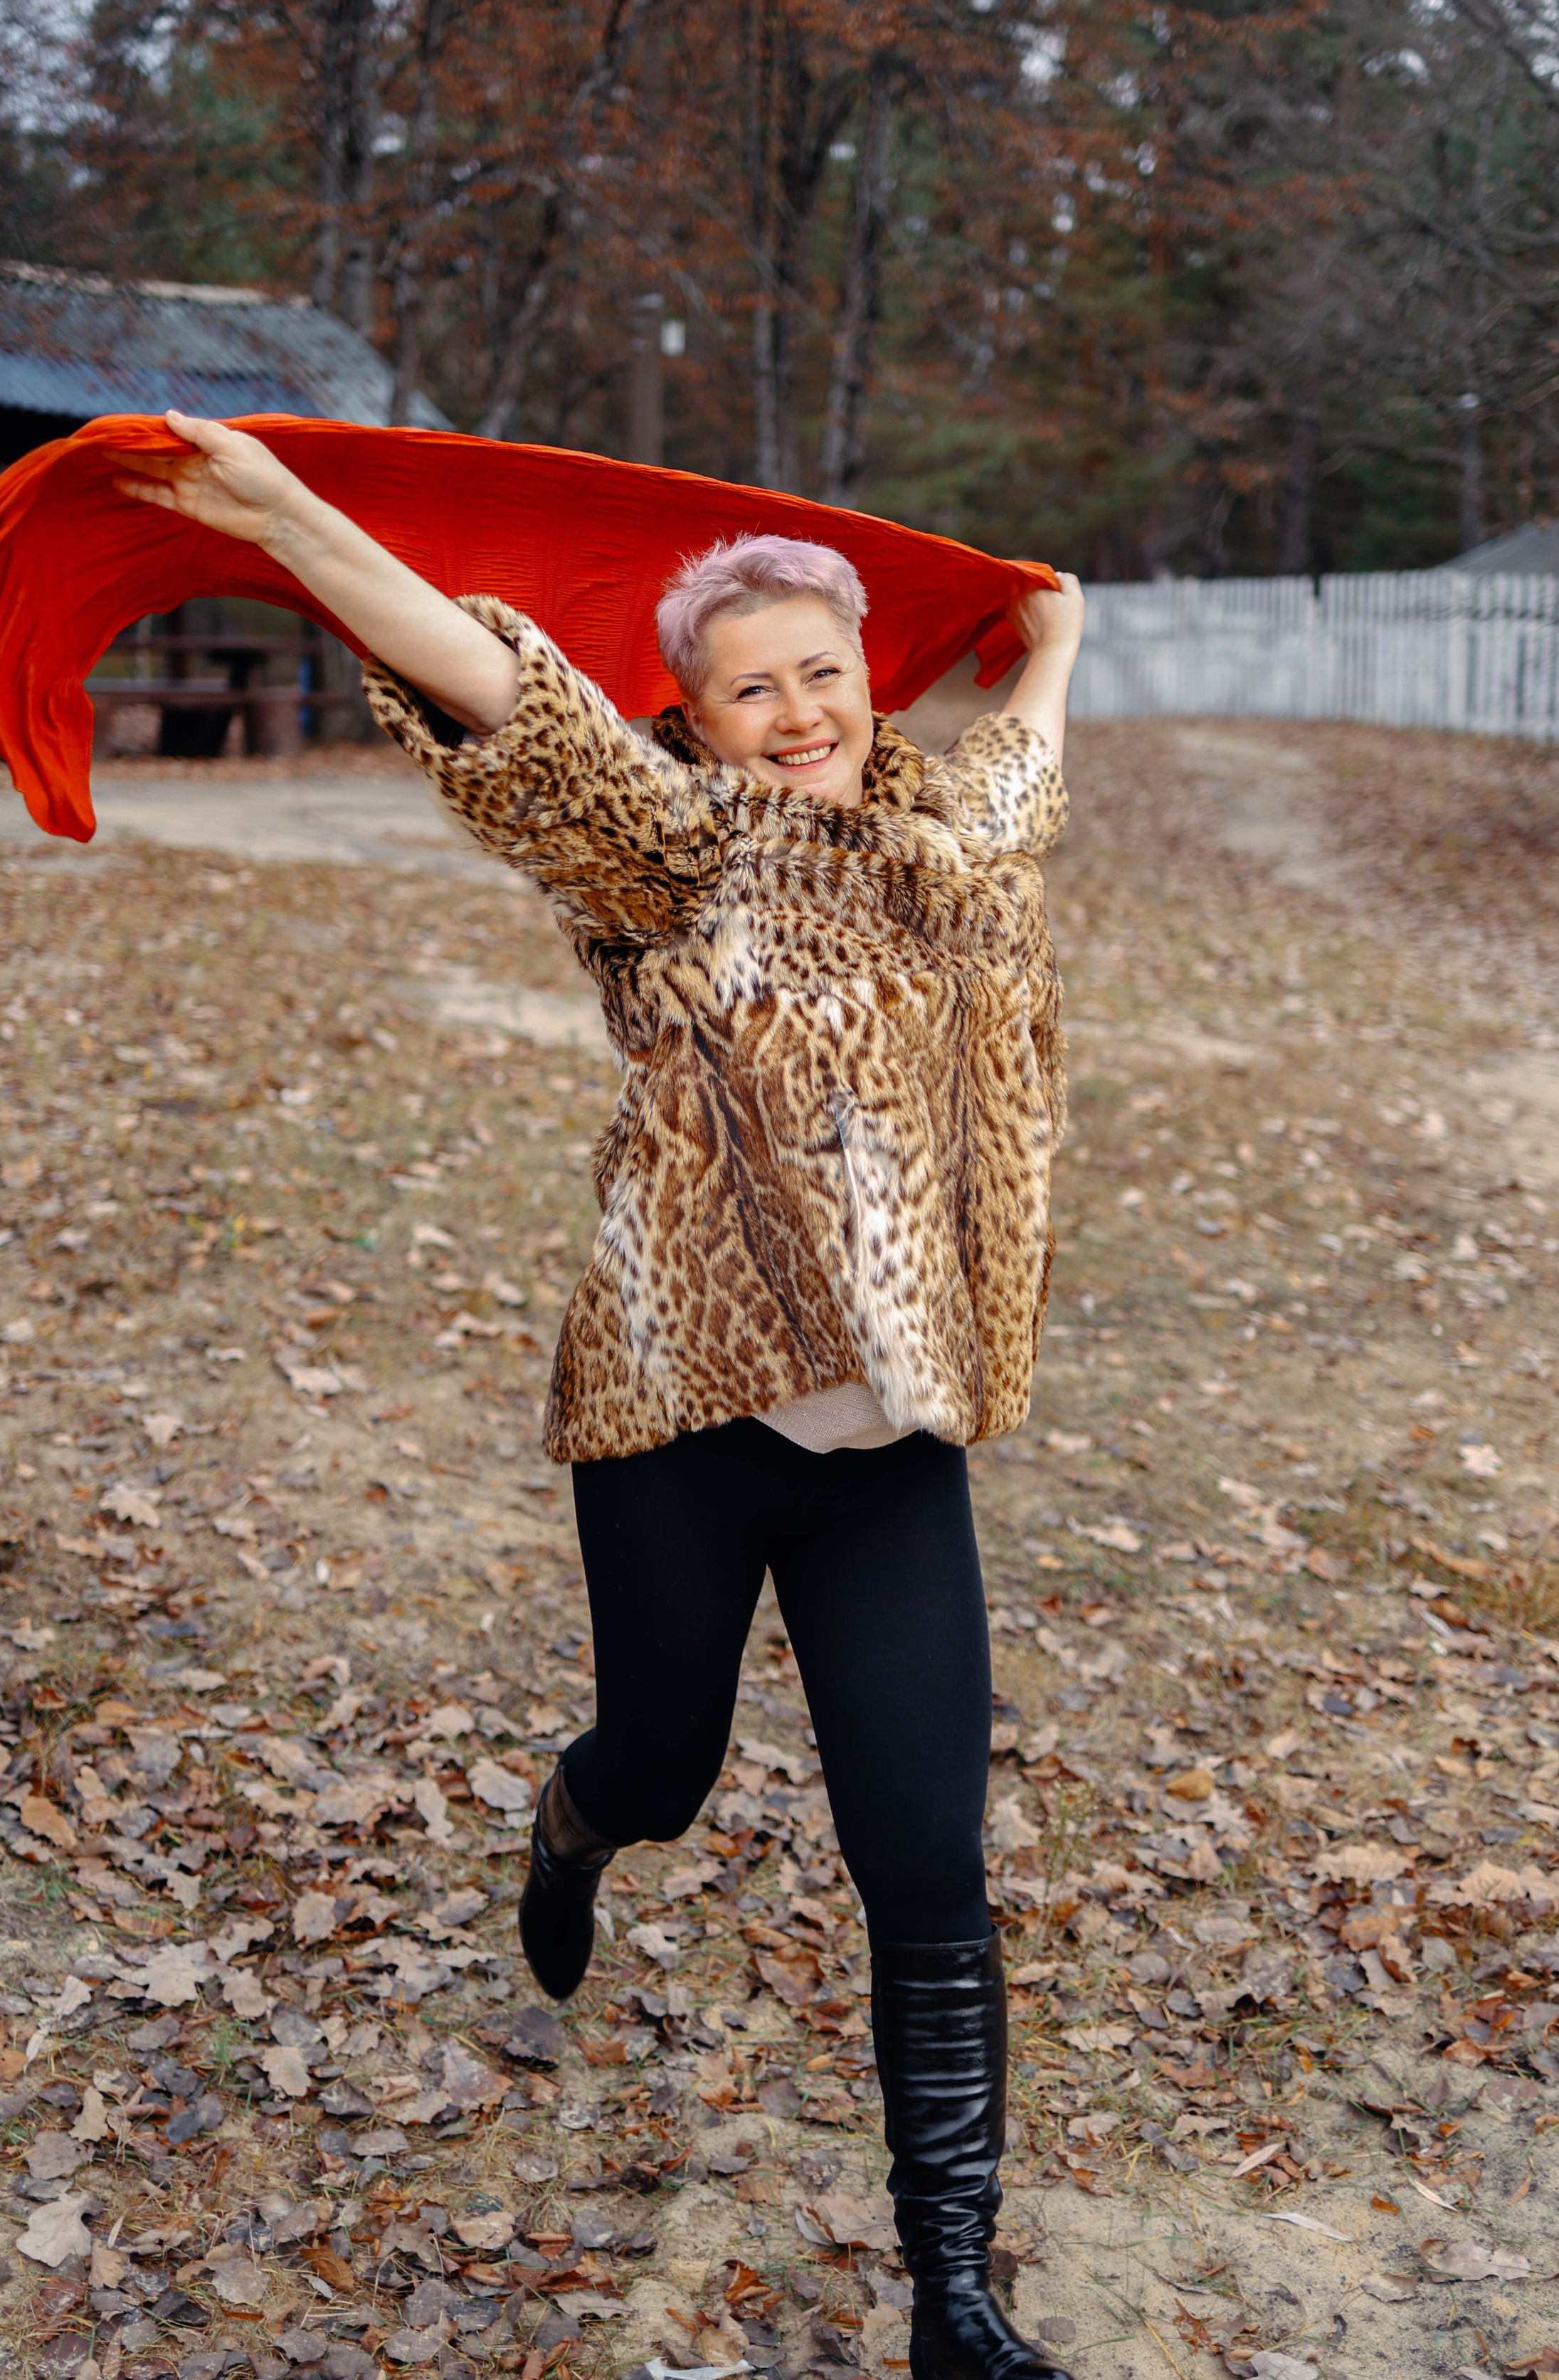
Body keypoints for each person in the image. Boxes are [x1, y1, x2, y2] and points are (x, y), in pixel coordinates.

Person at [117, 411, 1086, 2380]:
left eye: (823, 671)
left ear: (868, 680)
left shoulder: (954, 851)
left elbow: (1022, 769)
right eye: (751, 690)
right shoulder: (668, 854)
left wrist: (1056, 645)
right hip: (682, 1432)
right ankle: (571, 1826)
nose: (798, 713)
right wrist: (291, 520)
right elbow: (502, 694)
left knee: (929, 1867)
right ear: (697, 719)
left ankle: (957, 2303)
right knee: (667, 1766)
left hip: (892, 1457)